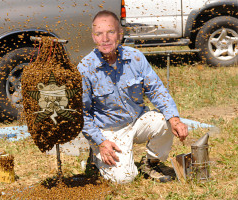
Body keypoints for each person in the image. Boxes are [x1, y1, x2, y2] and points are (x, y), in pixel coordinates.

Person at [77, 10, 188, 184]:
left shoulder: (135, 57)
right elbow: (82, 113)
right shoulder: (85, 68)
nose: (105, 39)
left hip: (137, 120)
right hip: (108, 130)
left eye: (110, 32)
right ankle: (96, 159)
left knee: (165, 121)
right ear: (93, 37)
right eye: (99, 34)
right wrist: (100, 141)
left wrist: (174, 119)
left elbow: (156, 89)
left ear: (120, 34)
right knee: (124, 178)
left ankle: (150, 163)